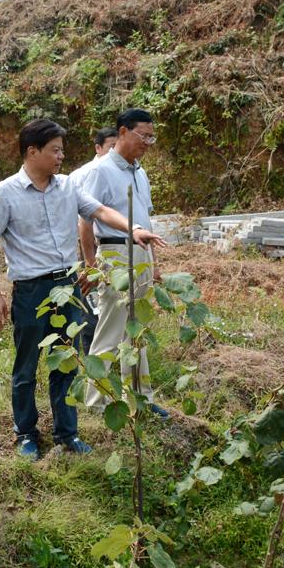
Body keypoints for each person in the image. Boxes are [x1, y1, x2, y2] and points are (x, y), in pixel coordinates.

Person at [0, 119, 166, 460]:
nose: (61, 156)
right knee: (26, 366)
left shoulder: (67, 186)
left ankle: (67, 433)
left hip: (67, 285)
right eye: (55, 150)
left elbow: (100, 211)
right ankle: (26, 433)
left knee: (66, 361)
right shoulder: (6, 191)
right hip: (31, 290)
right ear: (32, 152)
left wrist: (133, 229)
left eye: (62, 150)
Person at [79, 108, 170, 419]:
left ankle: (140, 397)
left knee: (137, 331)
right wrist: (91, 264)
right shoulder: (101, 171)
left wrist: (153, 263)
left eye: (151, 137)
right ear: (122, 132)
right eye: (143, 135)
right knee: (111, 328)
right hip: (115, 254)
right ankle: (97, 401)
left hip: (141, 254)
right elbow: (85, 221)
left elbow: (145, 220)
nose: (147, 142)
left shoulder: (140, 172)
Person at [71, 127, 118, 353]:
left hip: (114, 249)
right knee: (92, 302)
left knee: (114, 301)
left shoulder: (122, 171)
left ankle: (113, 351)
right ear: (98, 148)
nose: (115, 151)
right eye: (111, 147)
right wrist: (89, 262)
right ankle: (92, 353)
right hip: (88, 248)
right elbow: (83, 222)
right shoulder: (84, 174)